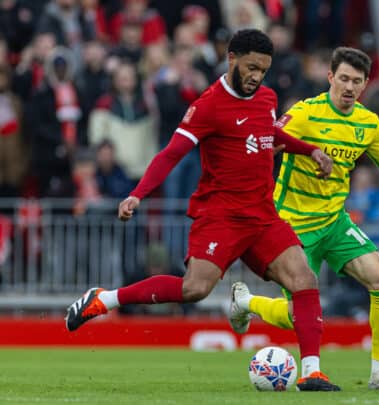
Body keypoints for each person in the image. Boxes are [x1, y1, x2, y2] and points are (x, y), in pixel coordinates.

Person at [65, 29, 340, 392]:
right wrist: (137, 195)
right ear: (231, 59)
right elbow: (171, 153)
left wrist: (310, 150)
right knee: (194, 289)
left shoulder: (267, 97)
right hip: (221, 217)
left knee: (304, 280)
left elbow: (268, 135)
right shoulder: (208, 105)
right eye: (252, 67)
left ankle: (312, 372)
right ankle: (104, 299)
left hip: (261, 216)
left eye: (264, 69)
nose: (257, 76)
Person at [228, 47, 379, 391]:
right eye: (343, 79)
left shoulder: (368, 124)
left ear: (366, 84)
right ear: (330, 78)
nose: (349, 87)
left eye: (357, 81)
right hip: (292, 225)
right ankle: (247, 303)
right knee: (299, 314)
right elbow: (267, 143)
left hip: (335, 222)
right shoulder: (305, 113)